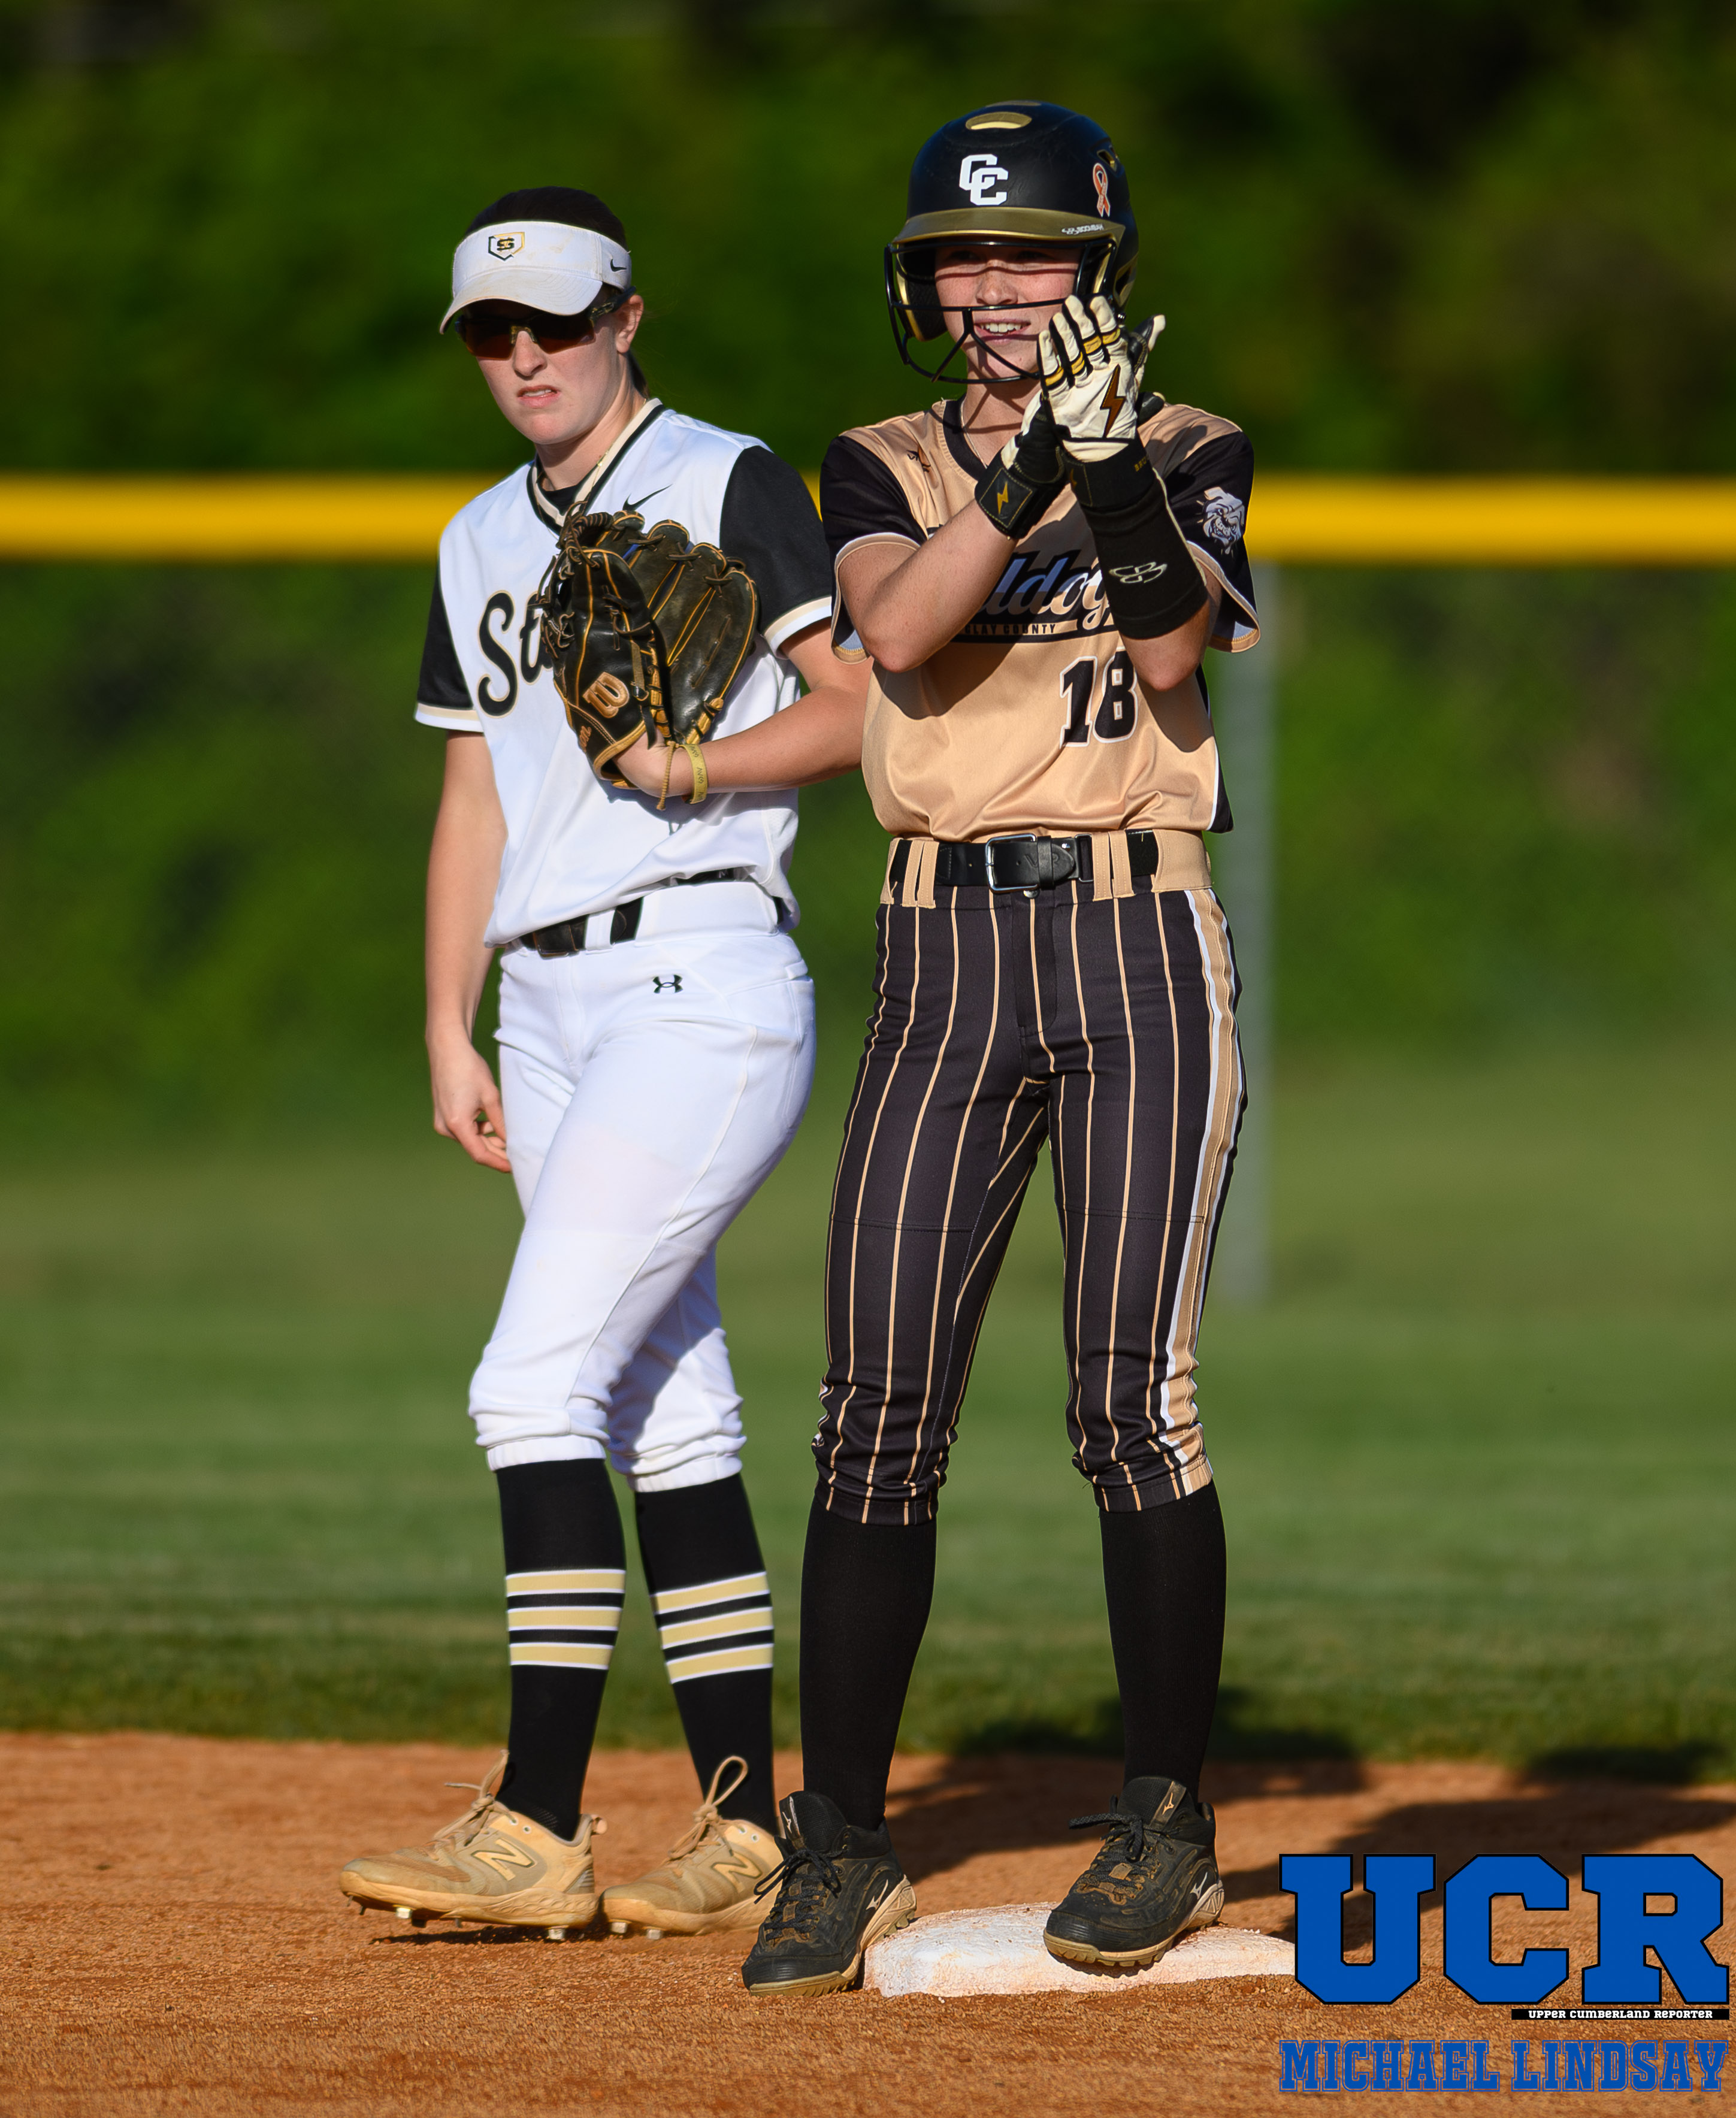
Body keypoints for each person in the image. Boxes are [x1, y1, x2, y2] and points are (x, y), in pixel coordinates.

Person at [735, 103, 1262, 1998]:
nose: (995, 286)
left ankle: (1166, 1822)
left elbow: (1175, 647)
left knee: (1132, 1399)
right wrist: (1033, 460)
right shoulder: (879, 460)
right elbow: (896, 632)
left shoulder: (1193, 443)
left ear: (1099, 269)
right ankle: (844, 1845)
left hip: (1139, 941)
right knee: (876, 1406)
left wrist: (1107, 462)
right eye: (963, 256)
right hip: (944, 950)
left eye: (1033, 251)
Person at [338, 187, 865, 1942]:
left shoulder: (727, 480)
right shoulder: (477, 536)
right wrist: (449, 1016)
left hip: (699, 977)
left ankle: (536, 1820)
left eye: (556, 321)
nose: (526, 355)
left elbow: (858, 709)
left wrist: (693, 771)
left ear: (627, 318)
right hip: (547, 1008)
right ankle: (749, 1834)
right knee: (663, 1410)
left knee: (531, 1386)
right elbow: (474, 791)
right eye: (494, 332)